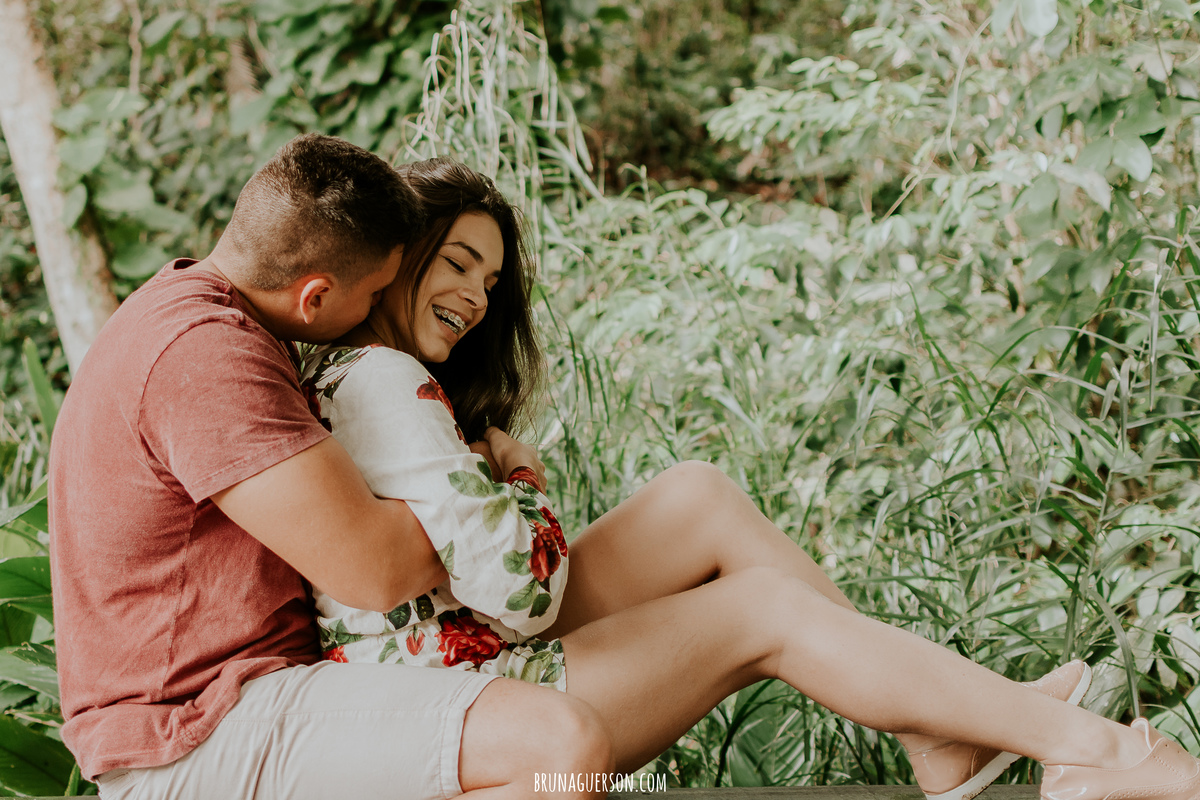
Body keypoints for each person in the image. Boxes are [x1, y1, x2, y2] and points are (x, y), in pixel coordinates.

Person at [302, 156, 1200, 800]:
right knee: (761, 611)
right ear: (394, 258)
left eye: (492, 280)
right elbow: (526, 595)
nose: (478, 297)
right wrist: (525, 476)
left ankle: (937, 732)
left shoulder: (368, 375)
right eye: (457, 264)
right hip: (462, 696)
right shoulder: (382, 378)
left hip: (452, 645)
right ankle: (1099, 752)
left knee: (698, 495)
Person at [49, 135, 613, 800]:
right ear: (315, 296)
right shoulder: (206, 356)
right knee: (560, 745)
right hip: (195, 732)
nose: (375, 309)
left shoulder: (200, 314)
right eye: (374, 292)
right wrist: (485, 485)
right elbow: (379, 570)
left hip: (249, 699)